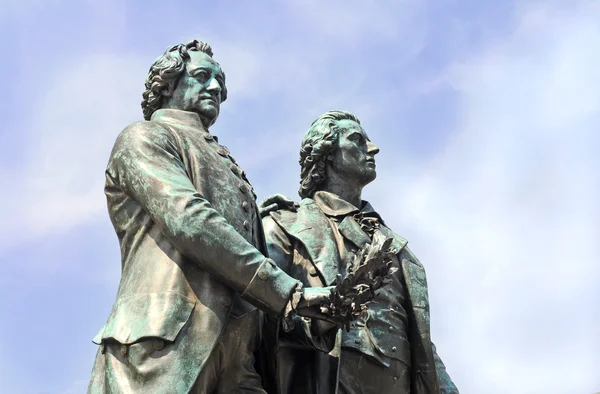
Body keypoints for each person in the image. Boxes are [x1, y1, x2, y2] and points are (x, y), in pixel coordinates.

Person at [87, 40, 335, 394]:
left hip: (242, 353)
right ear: (168, 84)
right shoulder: (144, 137)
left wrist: (310, 316)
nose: (216, 88)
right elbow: (190, 220)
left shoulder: (225, 164)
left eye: (220, 80)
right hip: (165, 344)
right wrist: (287, 292)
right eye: (202, 76)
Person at [261, 110, 459, 394]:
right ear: (326, 154)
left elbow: (422, 342)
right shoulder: (285, 223)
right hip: (327, 378)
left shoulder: (397, 246)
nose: (372, 148)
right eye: (357, 140)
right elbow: (260, 313)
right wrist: (318, 322)